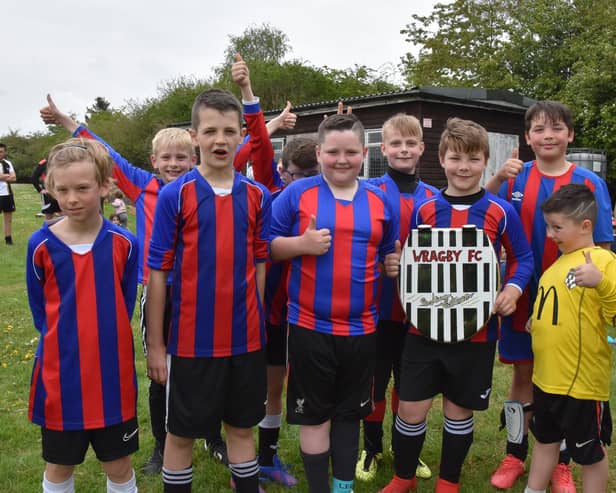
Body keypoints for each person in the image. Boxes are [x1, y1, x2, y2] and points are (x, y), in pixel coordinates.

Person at [379, 118, 534, 493]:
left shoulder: (500, 211)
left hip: (476, 331)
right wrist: (395, 264)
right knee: (410, 409)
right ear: (442, 160)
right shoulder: (426, 210)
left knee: (458, 411)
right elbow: (411, 259)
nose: (464, 167)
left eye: (473, 159)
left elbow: (523, 258)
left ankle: (449, 481)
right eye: (456, 158)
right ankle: (404, 477)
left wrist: (512, 290)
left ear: (485, 161)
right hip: (423, 327)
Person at [146, 87, 271, 493]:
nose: (220, 140)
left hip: (245, 341)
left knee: (240, 429)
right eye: (211, 131)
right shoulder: (174, 194)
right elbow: (159, 273)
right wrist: (156, 346)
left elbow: (260, 262)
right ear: (195, 135)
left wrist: (258, 323)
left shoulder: (257, 195)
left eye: (229, 131)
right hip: (191, 344)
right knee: (180, 436)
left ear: (240, 138)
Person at [486, 101, 614, 492]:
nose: (547, 136)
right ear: (527, 138)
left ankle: (561, 460)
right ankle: (514, 452)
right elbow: (482, 213)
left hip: (573, 299)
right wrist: (493, 181)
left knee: (564, 382)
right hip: (522, 293)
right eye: (539, 130)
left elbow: (604, 246)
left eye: (556, 128)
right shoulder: (512, 177)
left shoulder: (590, 182)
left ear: (570, 135)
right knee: (524, 376)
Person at [270, 113, 401, 493]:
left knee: (349, 416)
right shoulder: (298, 194)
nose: (341, 160)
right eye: (332, 152)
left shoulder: (380, 200)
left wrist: (390, 262)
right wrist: (300, 246)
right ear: (318, 152)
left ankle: (342, 489)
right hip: (310, 327)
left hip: (362, 330)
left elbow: (387, 250)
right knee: (315, 418)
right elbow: (267, 246)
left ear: (364, 152)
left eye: (349, 152)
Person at [26, 138, 139, 493]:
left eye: (82, 188)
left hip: (112, 378)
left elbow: (123, 303)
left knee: (118, 465)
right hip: (62, 379)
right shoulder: (40, 246)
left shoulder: (125, 242)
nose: (72, 198)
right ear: (51, 189)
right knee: (59, 465)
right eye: (63, 189)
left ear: (104, 187)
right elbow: (41, 313)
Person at [356, 113, 437, 483]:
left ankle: (405, 452)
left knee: (410, 389)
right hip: (377, 308)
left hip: (419, 314)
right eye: (396, 143)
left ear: (421, 148)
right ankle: (370, 448)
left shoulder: (435, 199)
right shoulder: (369, 192)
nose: (403, 149)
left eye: (411, 143)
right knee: (374, 387)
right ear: (383, 149)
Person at [523, 183, 616, 493]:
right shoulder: (554, 267)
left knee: (589, 452)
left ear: (585, 225)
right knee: (545, 439)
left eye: (557, 227)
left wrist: (601, 284)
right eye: (548, 226)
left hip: (581, 386)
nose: (550, 234)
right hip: (546, 380)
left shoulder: (601, 262)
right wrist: (535, 321)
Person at [0, 143, 16, 245]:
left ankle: (8, 239)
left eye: (1, 151)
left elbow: (14, 178)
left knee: (8, 218)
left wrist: (2, 176)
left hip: (7, 194)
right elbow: (9, 177)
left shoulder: (7, 163)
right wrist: (6, 176)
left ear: (5, 152)